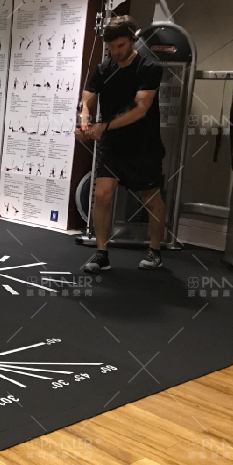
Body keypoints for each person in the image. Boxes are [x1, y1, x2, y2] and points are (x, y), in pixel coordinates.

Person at [75, 15, 165, 273]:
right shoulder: (104, 70)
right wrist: (84, 121)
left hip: (143, 144)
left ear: (132, 41)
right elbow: (87, 100)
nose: (116, 51)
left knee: (151, 198)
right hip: (113, 145)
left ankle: (155, 250)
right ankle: (102, 253)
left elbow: (140, 110)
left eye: (121, 45)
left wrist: (102, 127)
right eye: (112, 47)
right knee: (102, 194)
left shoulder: (149, 67)